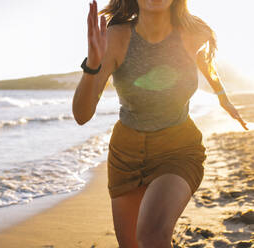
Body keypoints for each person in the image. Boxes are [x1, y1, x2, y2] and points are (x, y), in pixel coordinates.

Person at [72, 0, 249, 247]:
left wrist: (223, 98)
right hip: (126, 155)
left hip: (179, 149)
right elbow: (82, 115)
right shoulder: (116, 37)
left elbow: (207, 65)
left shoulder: (195, 32)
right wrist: (92, 66)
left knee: (152, 235)